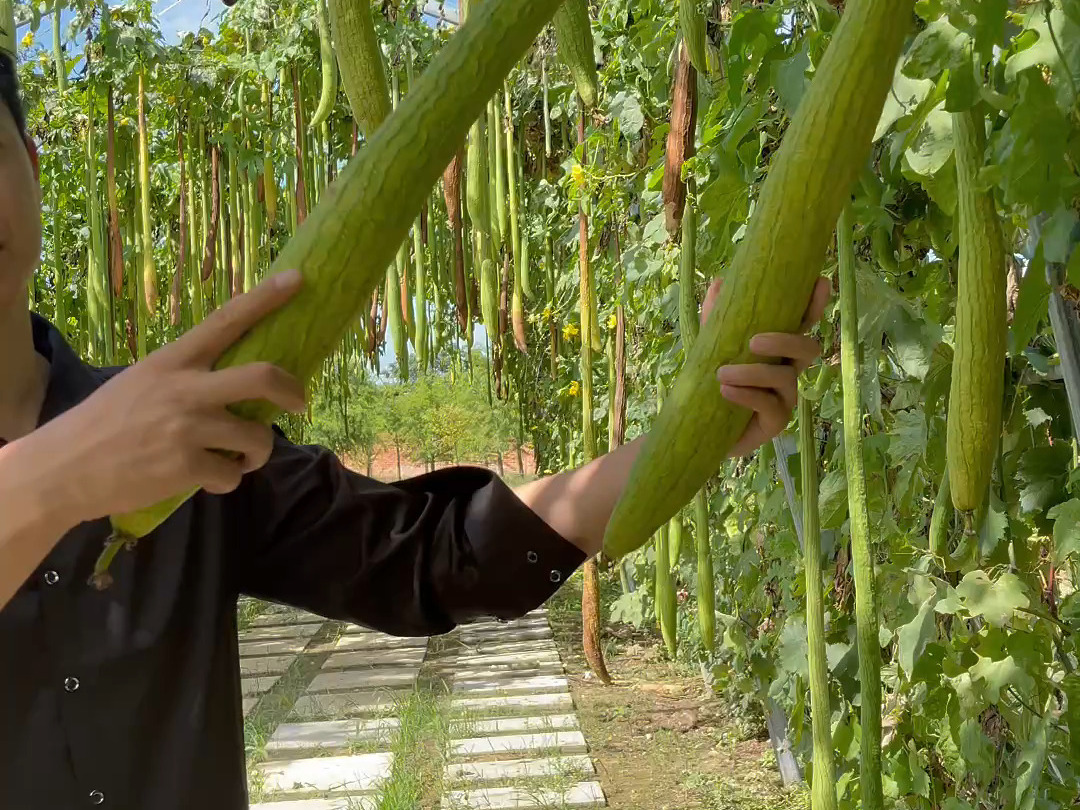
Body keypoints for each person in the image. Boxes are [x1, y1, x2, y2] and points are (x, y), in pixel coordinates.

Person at [0, 52, 830, 808]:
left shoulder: (180, 437)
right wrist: (57, 475)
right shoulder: (143, 436)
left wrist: (688, 435)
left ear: (31, 166)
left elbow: (428, 557)